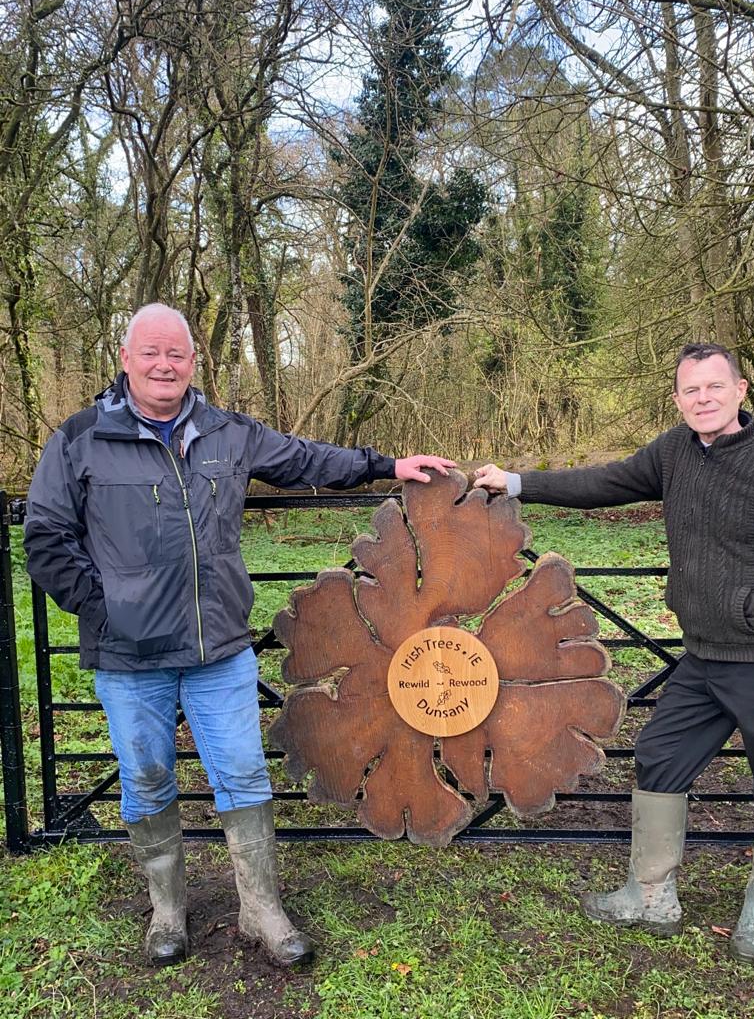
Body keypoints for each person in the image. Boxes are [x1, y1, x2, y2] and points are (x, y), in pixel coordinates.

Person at [24, 302, 455, 969]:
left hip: (216, 648)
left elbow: (309, 458)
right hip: (128, 654)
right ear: (126, 359)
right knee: (145, 777)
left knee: (243, 773)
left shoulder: (227, 432)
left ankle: (261, 908)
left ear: (194, 363)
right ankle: (168, 909)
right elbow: (47, 539)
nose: (165, 364)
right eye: (152, 352)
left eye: (178, 353)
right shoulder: (80, 438)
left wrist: (387, 464)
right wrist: (103, 608)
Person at [473, 342, 754, 961]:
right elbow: (603, 482)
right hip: (706, 656)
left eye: (714, 387)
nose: (702, 399)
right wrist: (517, 482)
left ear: (740, 391)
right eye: (689, 390)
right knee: (659, 755)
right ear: (678, 399)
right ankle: (651, 894)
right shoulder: (673, 453)